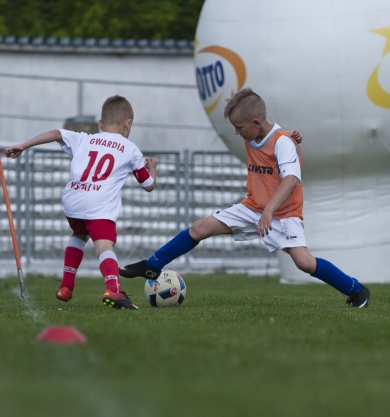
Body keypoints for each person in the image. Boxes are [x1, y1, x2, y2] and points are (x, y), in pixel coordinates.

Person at [120, 88, 370, 308]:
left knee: (304, 262)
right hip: (252, 207)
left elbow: (291, 179)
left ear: (256, 122)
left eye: (240, 128)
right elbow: (253, 113)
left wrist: (270, 211)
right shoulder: (259, 134)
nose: (238, 134)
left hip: (283, 213)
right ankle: (152, 265)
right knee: (200, 228)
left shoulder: (283, 143)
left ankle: (357, 290)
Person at [4, 95, 157, 310]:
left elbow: (57, 133)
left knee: (79, 234)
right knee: (104, 244)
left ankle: (66, 287)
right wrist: (151, 166)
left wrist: (24, 145)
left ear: (100, 124)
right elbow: (148, 185)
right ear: (128, 124)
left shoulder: (85, 138)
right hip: (98, 204)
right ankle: (113, 289)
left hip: (73, 202)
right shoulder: (130, 148)